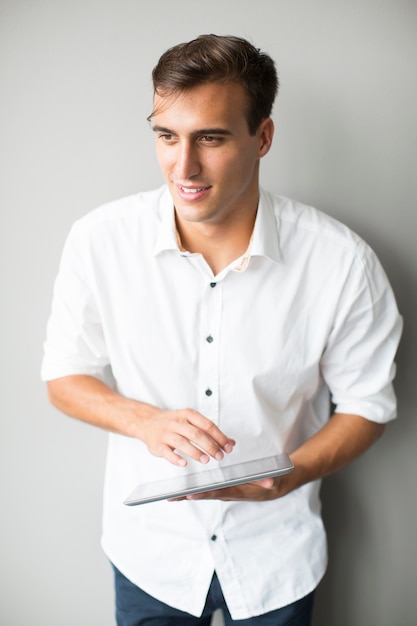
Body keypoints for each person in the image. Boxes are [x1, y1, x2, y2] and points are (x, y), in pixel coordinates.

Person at [41, 34, 402, 626]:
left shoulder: (342, 262)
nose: (184, 167)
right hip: (149, 554)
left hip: (276, 557)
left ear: (262, 137)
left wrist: (293, 474)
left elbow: (367, 405)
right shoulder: (98, 241)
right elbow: (63, 376)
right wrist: (145, 421)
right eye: (166, 136)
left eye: (210, 138)